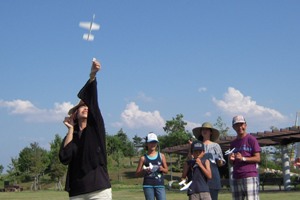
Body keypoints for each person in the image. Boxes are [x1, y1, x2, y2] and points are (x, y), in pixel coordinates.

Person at [59, 59, 112, 200]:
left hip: (99, 190)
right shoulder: (72, 135)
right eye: (82, 106)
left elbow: (93, 101)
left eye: (87, 106)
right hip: (77, 191)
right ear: (74, 114)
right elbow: (64, 158)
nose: (86, 107)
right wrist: (70, 130)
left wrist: (92, 76)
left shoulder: (96, 128)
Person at [229, 115, 261, 200]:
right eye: (237, 125)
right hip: (236, 176)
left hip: (249, 175)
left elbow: (258, 158)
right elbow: (231, 162)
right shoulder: (233, 143)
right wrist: (231, 159)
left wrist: (243, 158)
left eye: (241, 124)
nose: (240, 127)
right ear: (233, 127)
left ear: (245, 125)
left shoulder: (251, 139)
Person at [192, 122, 226, 200]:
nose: (205, 131)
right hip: (199, 180)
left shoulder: (216, 146)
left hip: (213, 179)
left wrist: (219, 162)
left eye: (207, 129)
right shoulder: (197, 145)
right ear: (200, 132)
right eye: (203, 129)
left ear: (211, 132)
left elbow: (221, 162)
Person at [136, 132, 168, 200]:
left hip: (160, 185)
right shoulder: (143, 158)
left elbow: (166, 170)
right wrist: (144, 170)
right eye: (151, 142)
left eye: (154, 142)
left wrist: (162, 169)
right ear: (147, 144)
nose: (153, 144)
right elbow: (137, 173)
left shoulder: (161, 156)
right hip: (148, 185)